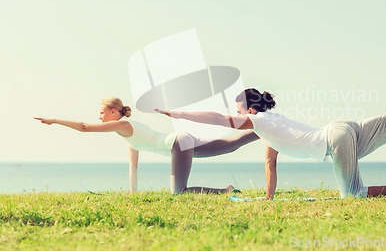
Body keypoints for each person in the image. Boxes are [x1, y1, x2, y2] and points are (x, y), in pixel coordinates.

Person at [156, 67, 386, 199]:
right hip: (341, 129)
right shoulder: (271, 125)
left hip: (334, 140)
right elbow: (270, 164)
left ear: (250, 110)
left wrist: (178, 113)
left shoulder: (259, 121)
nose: (236, 117)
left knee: (354, 195)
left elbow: (217, 119)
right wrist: (268, 196)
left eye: (238, 112)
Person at [34, 97, 258, 194]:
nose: (99, 116)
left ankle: (225, 191)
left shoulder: (122, 125)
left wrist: (55, 120)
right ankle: (264, 130)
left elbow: (84, 127)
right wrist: (133, 194)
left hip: (178, 143)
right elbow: (134, 167)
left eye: (101, 112)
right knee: (230, 145)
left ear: (114, 111)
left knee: (179, 194)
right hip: (181, 141)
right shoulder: (128, 131)